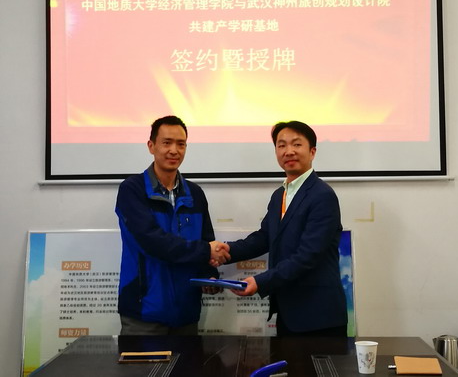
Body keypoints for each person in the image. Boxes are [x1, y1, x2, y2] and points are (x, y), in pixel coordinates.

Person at [226, 120, 348, 337]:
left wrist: (259, 282)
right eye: (281, 145)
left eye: (297, 144)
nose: (288, 151)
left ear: (312, 152)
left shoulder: (322, 196)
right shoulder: (279, 195)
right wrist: (226, 251)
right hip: (287, 313)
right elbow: (264, 237)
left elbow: (307, 256)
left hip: (318, 317)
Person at [115, 115, 230, 335]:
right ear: (151, 146)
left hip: (186, 311)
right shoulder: (132, 190)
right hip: (144, 311)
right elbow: (152, 241)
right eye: (166, 143)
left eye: (181, 144)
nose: (174, 150)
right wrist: (206, 250)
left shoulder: (195, 193)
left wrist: (209, 274)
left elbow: (205, 239)